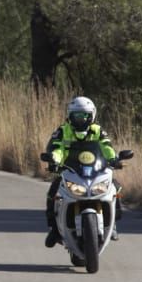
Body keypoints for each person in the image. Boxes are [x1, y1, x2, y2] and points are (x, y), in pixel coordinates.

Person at [44, 96, 119, 247]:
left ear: (92, 115)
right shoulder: (62, 130)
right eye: (76, 115)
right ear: (70, 116)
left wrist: (113, 158)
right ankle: (53, 229)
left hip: (95, 172)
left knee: (115, 187)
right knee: (53, 192)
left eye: (84, 115)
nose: (80, 119)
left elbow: (107, 146)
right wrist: (54, 159)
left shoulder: (98, 131)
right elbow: (55, 147)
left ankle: (113, 224)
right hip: (68, 171)